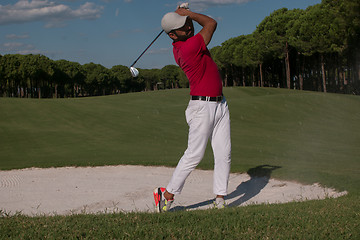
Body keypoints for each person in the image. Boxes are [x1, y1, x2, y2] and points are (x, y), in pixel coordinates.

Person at [153, 6, 231, 212]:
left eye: (188, 23)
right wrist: (191, 14)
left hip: (219, 103)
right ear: (172, 35)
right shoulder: (188, 48)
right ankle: (166, 194)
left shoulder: (186, 43)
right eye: (183, 26)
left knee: (224, 153)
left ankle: (220, 198)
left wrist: (184, 13)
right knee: (194, 155)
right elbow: (211, 24)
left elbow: (200, 28)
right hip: (202, 107)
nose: (188, 27)